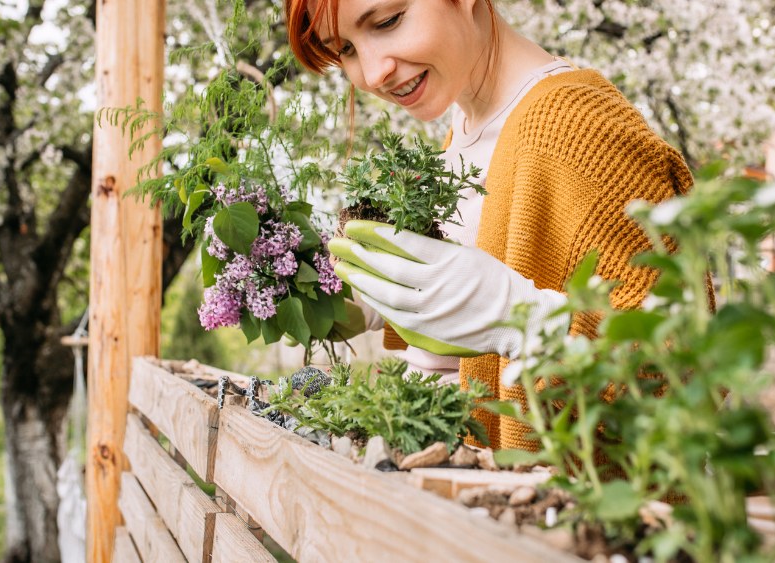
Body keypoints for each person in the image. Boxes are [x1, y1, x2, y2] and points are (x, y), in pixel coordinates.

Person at [285, 0, 699, 451]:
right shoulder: (465, 127)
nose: (372, 73)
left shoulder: (576, 125)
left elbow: (679, 379)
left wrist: (525, 320)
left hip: (557, 512)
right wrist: (375, 299)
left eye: (388, 21)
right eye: (344, 48)